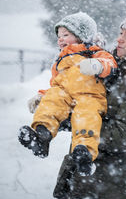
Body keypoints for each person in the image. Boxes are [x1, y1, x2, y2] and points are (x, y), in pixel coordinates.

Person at [53, 9, 126, 199]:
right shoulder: (112, 69)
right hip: (82, 181)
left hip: (110, 190)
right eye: (121, 33)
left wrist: (76, 123)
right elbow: (88, 102)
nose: (120, 39)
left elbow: (123, 137)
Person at [18, 12, 117, 176]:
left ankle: (84, 152)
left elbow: (110, 64)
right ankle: (42, 136)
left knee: (86, 116)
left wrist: (97, 65)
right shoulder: (60, 61)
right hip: (65, 95)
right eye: (58, 36)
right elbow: (56, 84)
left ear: (81, 36)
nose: (60, 39)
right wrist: (42, 96)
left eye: (66, 34)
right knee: (52, 100)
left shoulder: (93, 52)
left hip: (89, 95)